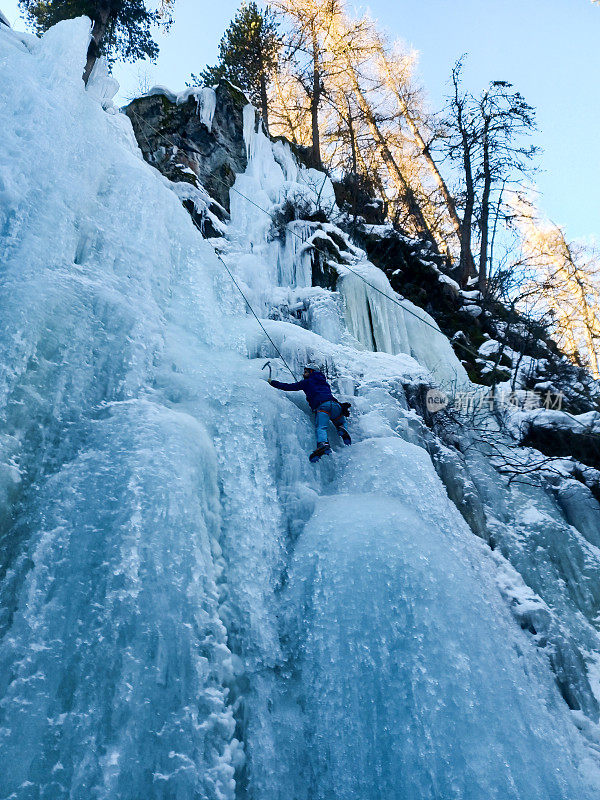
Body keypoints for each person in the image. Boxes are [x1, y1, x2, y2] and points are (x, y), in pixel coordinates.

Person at [269, 363, 351, 461]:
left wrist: (272, 382)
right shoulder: (324, 382)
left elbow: (288, 387)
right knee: (341, 420)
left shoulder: (306, 382)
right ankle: (342, 428)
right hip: (335, 405)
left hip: (323, 407)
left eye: (306, 372)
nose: (304, 374)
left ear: (311, 371)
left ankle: (323, 444)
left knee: (321, 427)